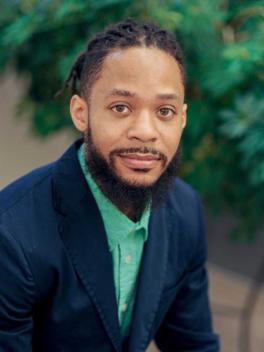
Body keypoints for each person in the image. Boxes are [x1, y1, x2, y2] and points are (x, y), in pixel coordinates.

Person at [0, 18, 219, 352]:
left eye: (165, 111)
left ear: (183, 118)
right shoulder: (11, 236)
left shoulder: (185, 210)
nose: (145, 131)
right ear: (81, 113)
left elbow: (193, 343)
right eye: (121, 107)